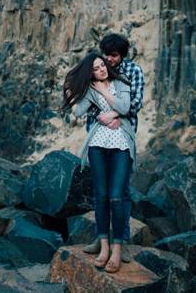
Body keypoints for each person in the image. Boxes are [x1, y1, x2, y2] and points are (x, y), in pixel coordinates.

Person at [63, 53, 136, 274]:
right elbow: (78, 112)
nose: (101, 69)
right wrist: (69, 91)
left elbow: (124, 108)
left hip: (121, 144)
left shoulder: (121, 83)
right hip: (97, 144)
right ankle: (104, 247)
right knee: (101, 196)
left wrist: (104, 94)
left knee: (116, 196)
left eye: (102, 65)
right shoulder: (90, 89)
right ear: (90, 73)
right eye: (95, 68)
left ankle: (117, 248)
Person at [82, 33, 145, 257]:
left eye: (114, 55)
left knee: (120, 192)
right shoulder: (96, 69)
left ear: (123, 55)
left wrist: (115, 114)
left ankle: (122, 240)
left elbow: (135, 103)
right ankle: (101, 239)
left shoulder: (133, 71)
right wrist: (106, 117)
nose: (109, 59)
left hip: (122, 138)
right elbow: (88, 103)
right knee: (100, 192)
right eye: (106, 54)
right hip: (98, 137)